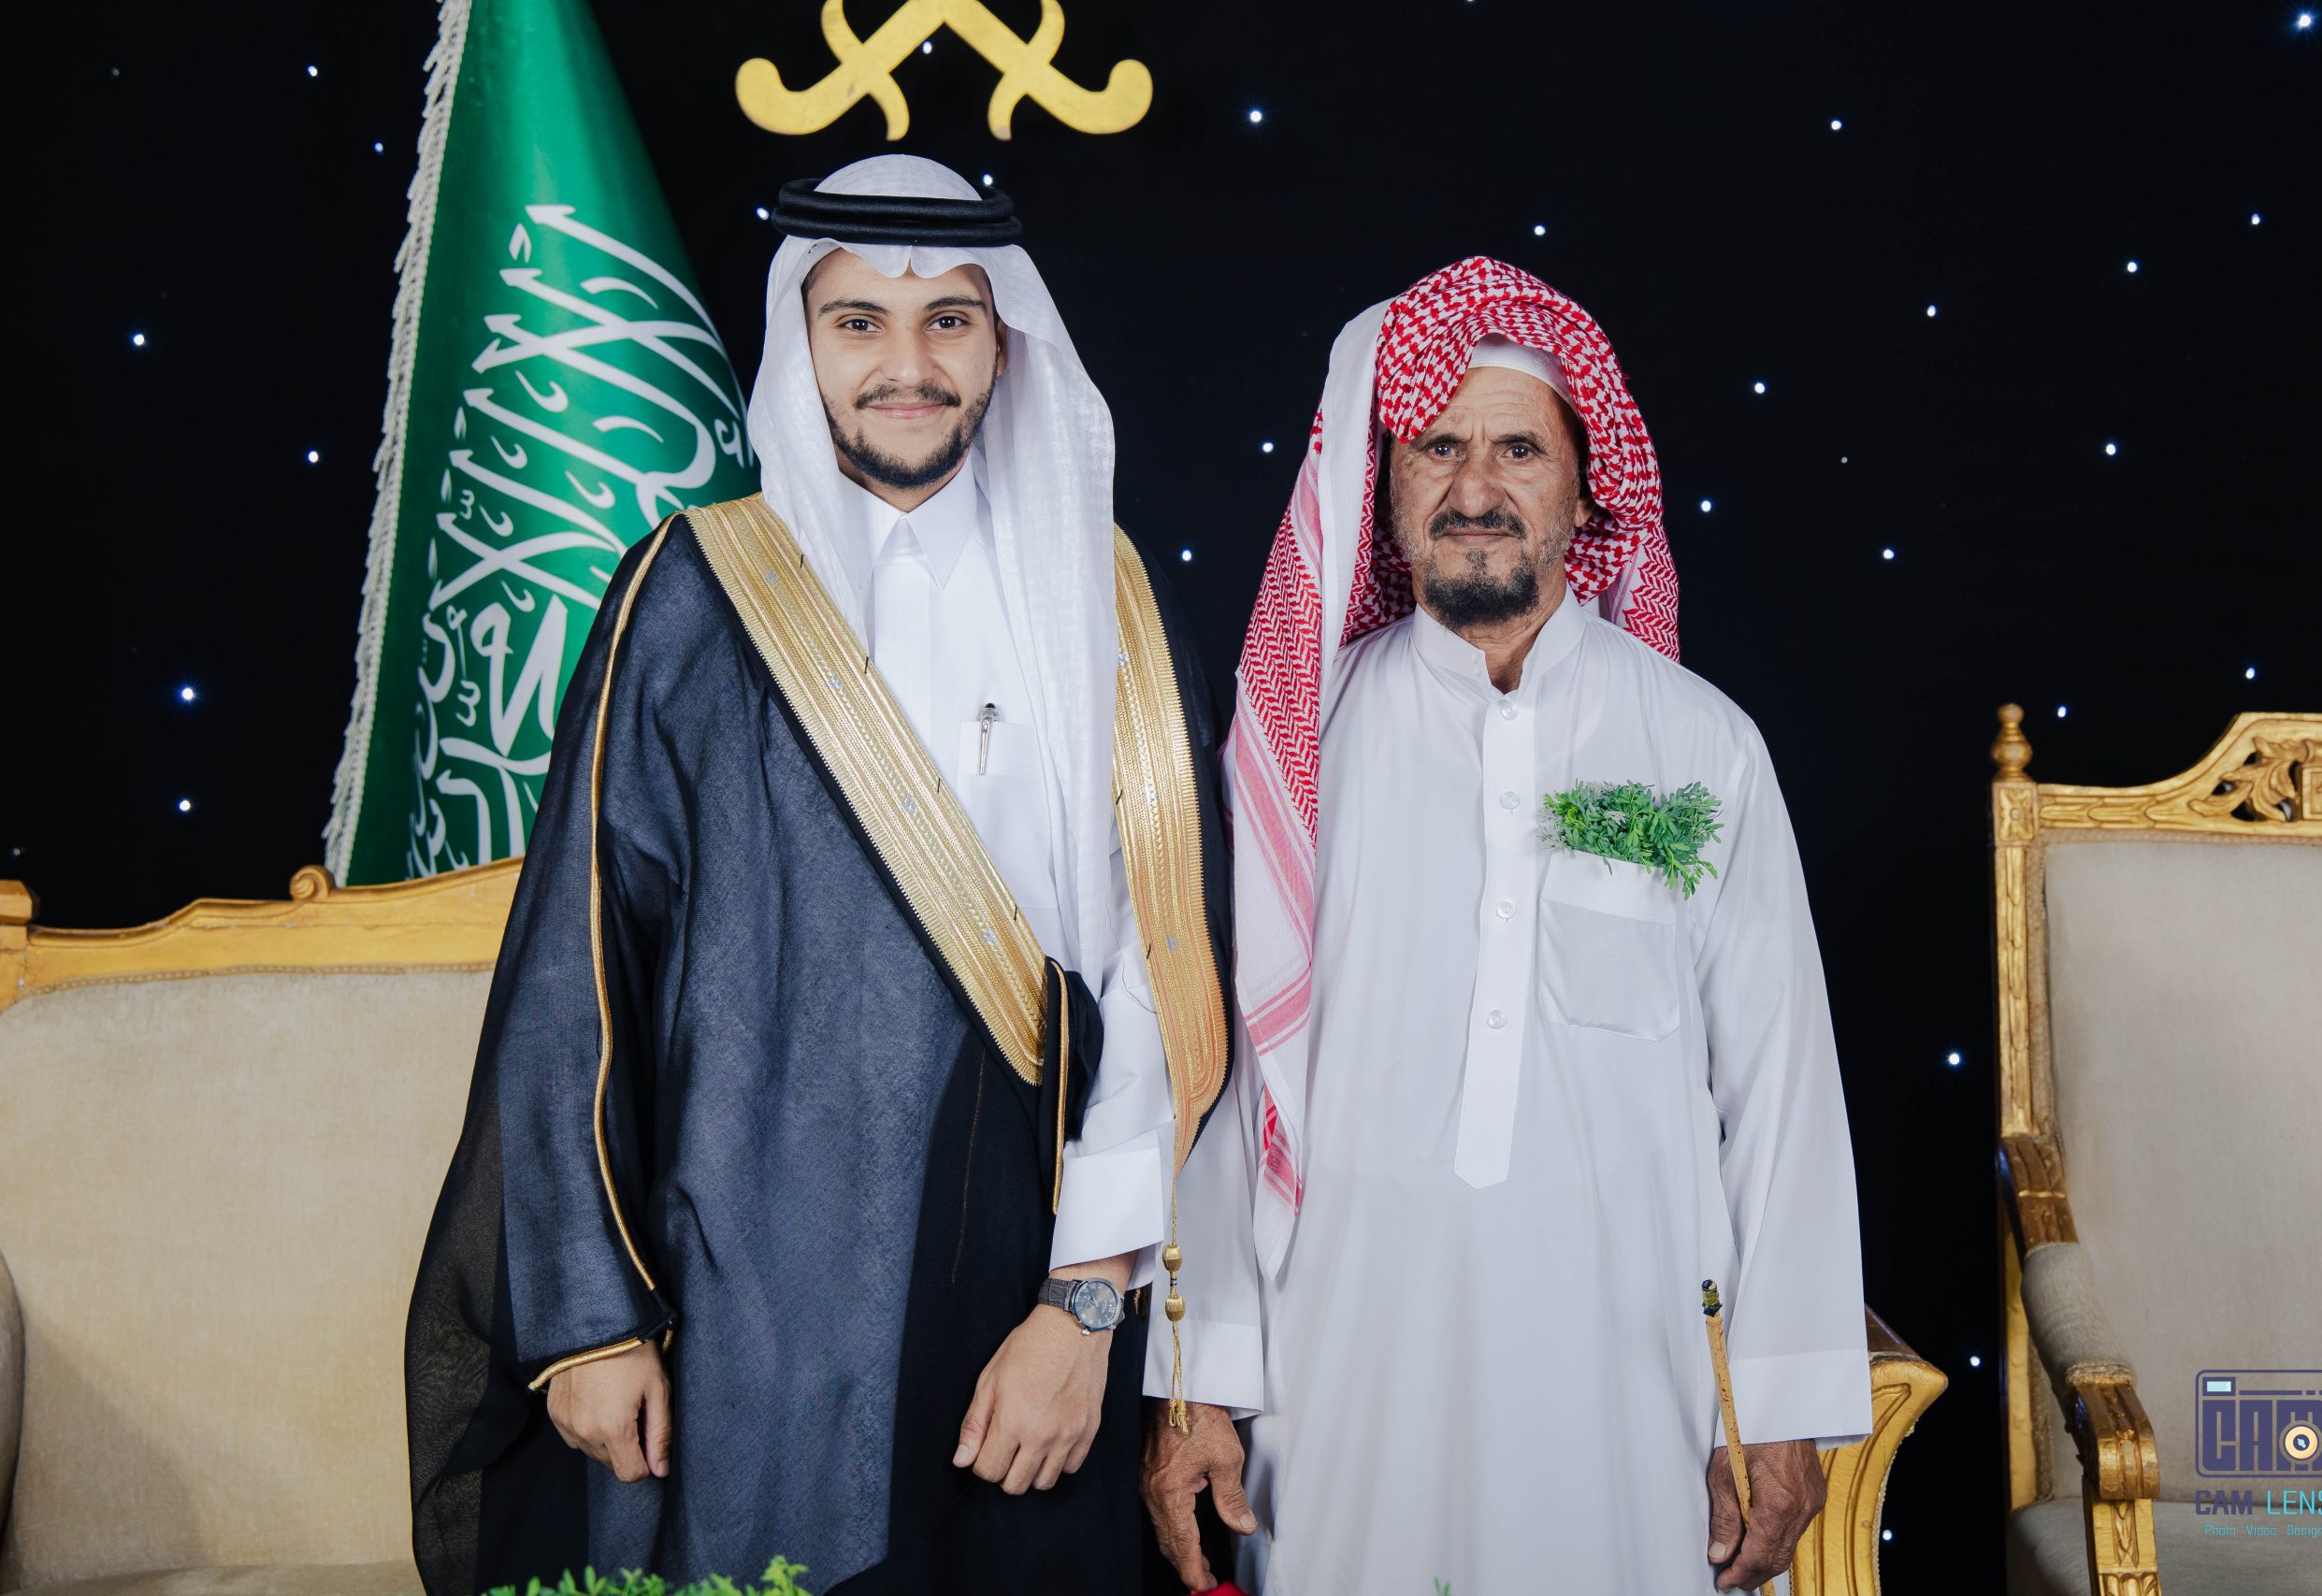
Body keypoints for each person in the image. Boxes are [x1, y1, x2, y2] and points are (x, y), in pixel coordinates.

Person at [406, 154, 1232, 1596]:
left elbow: (1160, 975)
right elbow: (575, 972)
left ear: (1004, 342)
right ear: (802, 341)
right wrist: (591, 1320)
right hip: (746, 1297)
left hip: (1025, 1294)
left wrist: (1085, 1306)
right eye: (859, 322)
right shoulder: (691, 592)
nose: (907, 365)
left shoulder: (1104, 597)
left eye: (948, 321)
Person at [1140, 257, 1871, 1594]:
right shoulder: (1300, 746)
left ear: (1588, 491)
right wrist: (1201, 1376)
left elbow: (1784, 1094)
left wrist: (1780, 1400)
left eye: (1519, 450)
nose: (1475, 489)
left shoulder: (1700, 746)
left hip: (1629, 1375)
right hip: (1340, 1363)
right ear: (1387, 487)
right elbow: (1230, 1076)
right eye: (1437, 448)